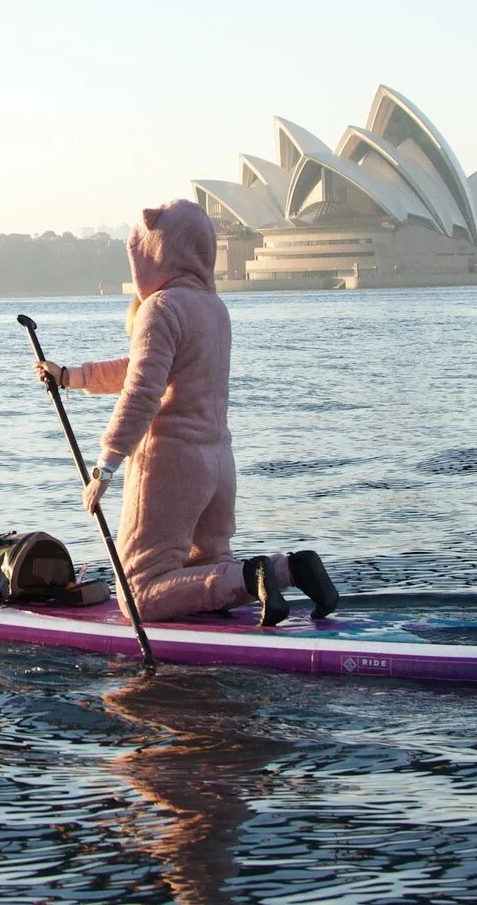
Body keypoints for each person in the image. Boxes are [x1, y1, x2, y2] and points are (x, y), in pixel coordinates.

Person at [35, 199, 338, 625]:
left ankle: (252, 576)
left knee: (138, 592)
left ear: (154, 251)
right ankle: (291, 569)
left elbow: (142, 391)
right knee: (209, 569)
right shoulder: (214, 309)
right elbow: (143, 367)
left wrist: (105, 467)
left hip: (171, 464)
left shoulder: (161, 308)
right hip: (218, 465)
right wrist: (72, 377)